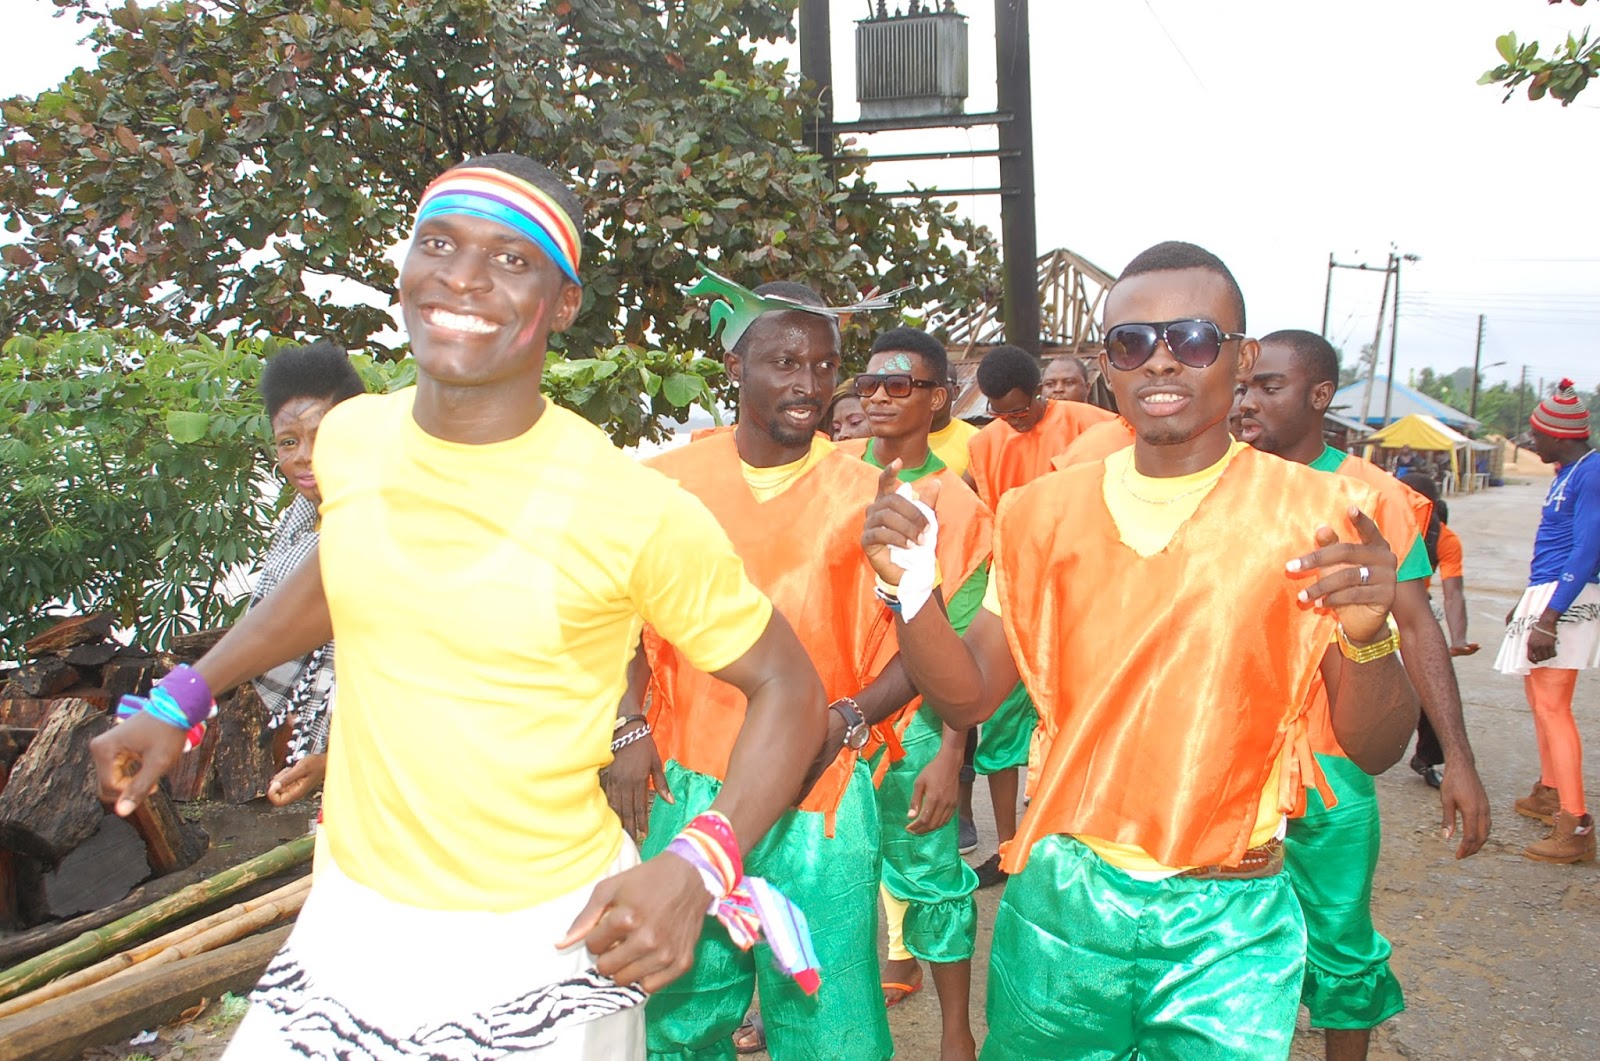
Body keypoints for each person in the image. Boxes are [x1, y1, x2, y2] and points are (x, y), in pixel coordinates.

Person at [90, 153, 830, 1059]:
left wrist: (699, 862)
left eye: (511, 259)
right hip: (352, 919)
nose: (464, 277)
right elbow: (341, 571)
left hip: (540, 940)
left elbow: (790, 686)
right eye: (438, 244)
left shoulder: (631, 508)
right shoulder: (354, 439)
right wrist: (185, 696)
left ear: (562, 304)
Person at [862, 240, 1419, 1061]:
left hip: (1228, 920)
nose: (1161, 360)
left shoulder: (1319, 514)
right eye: (1132, 342)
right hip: (1063, 900)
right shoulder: (1039, 513)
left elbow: (1376, 747)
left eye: (1192, 339)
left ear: (1242, 358)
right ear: (1106, 366)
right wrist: (911, 593)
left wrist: (1370, 637)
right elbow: (970, 692)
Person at [616, 275, 906, 1061]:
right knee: (673, 1015)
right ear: (736, 365)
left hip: (820, 794)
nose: (809, 383)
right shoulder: (666, 485)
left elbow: (917, 650)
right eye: (785, 362)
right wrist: (627, 721)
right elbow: (621, 619)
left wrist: (848, 719)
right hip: (687, 783)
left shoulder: (870, 494)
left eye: (824, 364)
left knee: (832, 1022)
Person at [1237, 329, 1491, 1061]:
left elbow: (1418, 626)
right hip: (1226, 753)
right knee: (1218, 942)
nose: (1247, 401)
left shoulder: (1370, 496)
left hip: (1334, 762)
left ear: (1320, 396)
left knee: (1341, 945)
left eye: (1269, 387)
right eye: (1245, 386)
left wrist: (1459, 758)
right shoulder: (1218, 481)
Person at [837, 326, 989, 1061]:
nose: (878, 397)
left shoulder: (960, 507)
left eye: (899, 384)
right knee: (827, 881)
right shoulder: (827, 478)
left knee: (932, 878)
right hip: (825, 722)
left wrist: (951, 754)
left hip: (917, 726)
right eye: (868, 384)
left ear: (940, 398)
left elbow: (963, 653)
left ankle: (957, 1032)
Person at [962, 345, 1116, 886]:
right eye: (1002, 413)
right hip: (1015, 600)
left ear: (1040, 393)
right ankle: (1008, 849)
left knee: (1079, 726)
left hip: (1081, 601)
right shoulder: (984, 444)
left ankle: (1071, 842)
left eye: (1022, 410)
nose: (1014, 420)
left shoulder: (1094, 427)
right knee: (1002, 729)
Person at [250, 342, 366, 810]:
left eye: (322, 436)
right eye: (288, 441)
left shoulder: (382, 522)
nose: (304, 456)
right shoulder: (300, 524)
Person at [1495, 380, 1600, 864]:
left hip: (1566, 597)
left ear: (1558, 436)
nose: (1530, 441)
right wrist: (1529, 602)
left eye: (1536, 434)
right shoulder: (1569, 471)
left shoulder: (1591, 472)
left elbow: (1587, 548)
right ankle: (1551, 790)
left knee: (1554, 705)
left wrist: (1549, 618)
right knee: (1540, 700)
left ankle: (1575, 824)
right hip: (1548, 592)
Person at [1399, 472, 1480, 789]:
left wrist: (1458, 639)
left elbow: (1453, 593)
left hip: (1412, 606)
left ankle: (1427, 757)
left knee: (1432, 680)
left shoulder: (1444, 539)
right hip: (1369, 601)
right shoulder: (1376, 518)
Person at [926, 370, 979, 478]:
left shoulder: (976, 441)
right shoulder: (894, 439)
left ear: (955, 391)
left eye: (939, 382)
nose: (932, 393)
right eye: (925, 384)